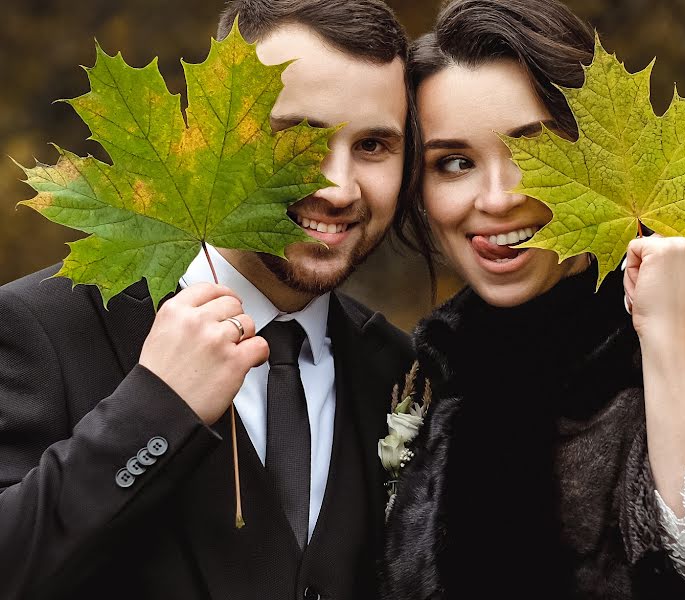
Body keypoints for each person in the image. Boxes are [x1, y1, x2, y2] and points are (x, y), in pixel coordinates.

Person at [380, 1, 685, 598]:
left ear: (600, 160)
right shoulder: (426, 371)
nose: (497, 197)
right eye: (454, 163)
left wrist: (664, 342)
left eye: (535, 154)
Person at [0, 1, 415, 598]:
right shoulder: (38, 328)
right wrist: (155, 408)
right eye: (297, 139)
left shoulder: (400, 372)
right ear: (211, 137)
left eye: (374, 145)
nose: (338, 187)